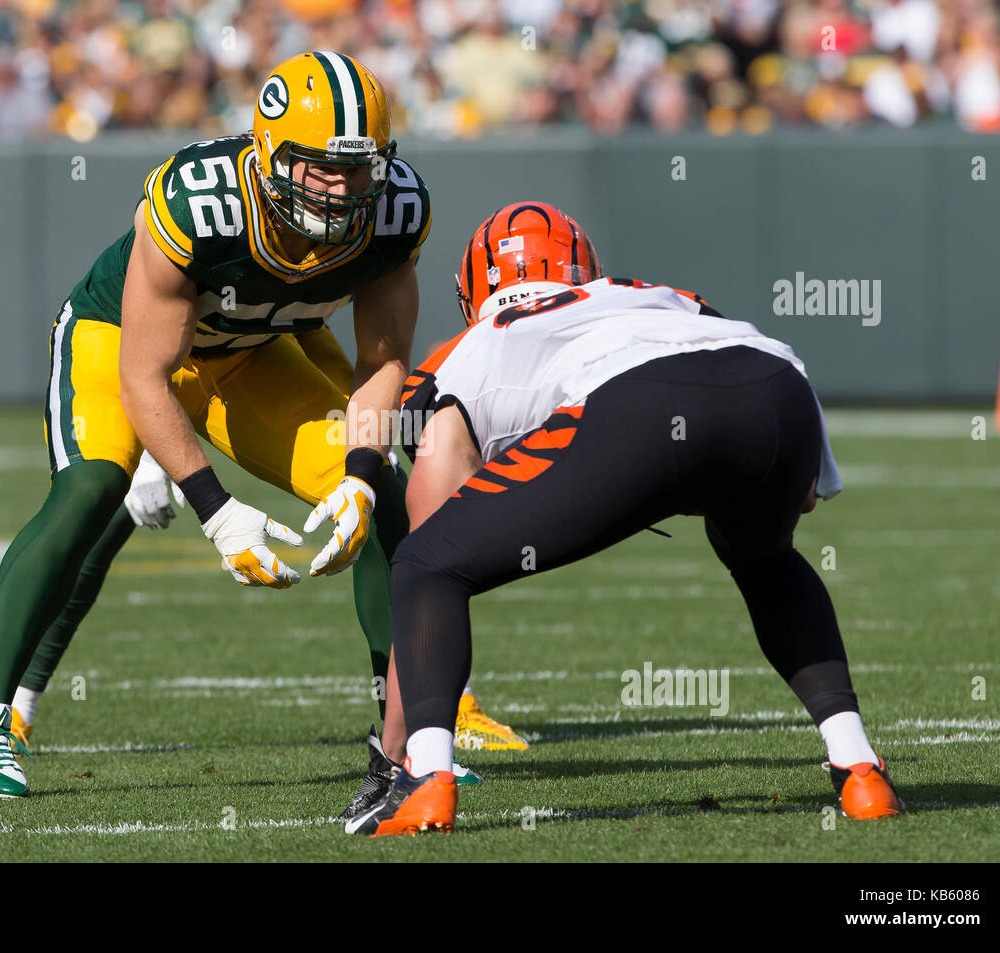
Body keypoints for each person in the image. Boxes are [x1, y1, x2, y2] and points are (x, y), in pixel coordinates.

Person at [0, 51, 520, 812]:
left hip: (246, 356)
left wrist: (356, 468)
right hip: (122, 342)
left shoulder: (395, 211)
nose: (347, 188)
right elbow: (145, 377)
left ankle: (405, 739)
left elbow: (383, 358)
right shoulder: (200, 202)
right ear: (272, 154)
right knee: (93, 487)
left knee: (381, 492)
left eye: (363, 167)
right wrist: (215, 509)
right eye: (323, 167)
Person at [347, 201, 902, 836]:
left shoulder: (465, 348)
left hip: (634, 402)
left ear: (476, 291)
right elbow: (800, 497)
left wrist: (393, 749)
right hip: (776, 382)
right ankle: (859, 768)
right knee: (762, 554)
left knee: (423, 564)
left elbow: (430, 543)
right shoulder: (659, 296)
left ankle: (425, 781)